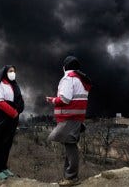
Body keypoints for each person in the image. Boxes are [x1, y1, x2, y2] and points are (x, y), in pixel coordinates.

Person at [45, 56, 91, 186]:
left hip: (69, 118)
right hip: (76, 118)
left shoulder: (68, 78)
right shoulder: (81, 79)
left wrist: (52, 100)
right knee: (69, 145)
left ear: (64, 67)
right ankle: (68, 176)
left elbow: (65, 99)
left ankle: (71, 178)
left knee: (70, 146)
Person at [0, 65, 24, 180]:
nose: (13, 73)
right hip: (3, 119)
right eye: (10, 71)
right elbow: (0, 102)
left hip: (12, 120)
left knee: (8, 144)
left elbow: (19, 99)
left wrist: (19, 109)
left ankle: (4, 167)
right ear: (5, 73)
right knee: (0, 143)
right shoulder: (0, 85)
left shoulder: (14, 85)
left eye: (14, 71)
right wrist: (13, 112)